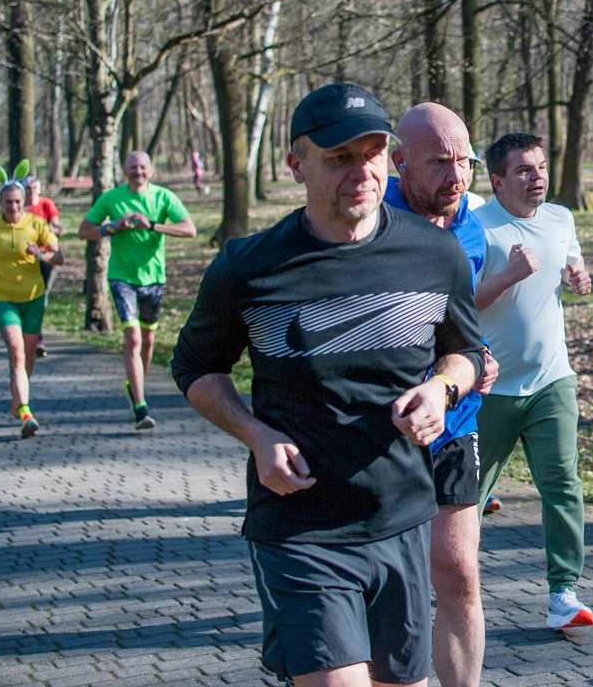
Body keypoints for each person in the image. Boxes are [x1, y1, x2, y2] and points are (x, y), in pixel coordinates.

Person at [170, 83, 486, 687]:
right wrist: (256, 434)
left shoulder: (435, 252)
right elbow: (195, 368)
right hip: (300, 524)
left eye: (370, 153)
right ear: (296, 165)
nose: (360, 170)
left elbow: (465, 351)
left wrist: (443, 389)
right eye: (339, 157)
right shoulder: (249, 266)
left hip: (401, 514)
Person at [383, 102, 499, 687]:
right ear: (399, 162)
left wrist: (476, 355)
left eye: (465, 162)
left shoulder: (469, 227)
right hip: (384, 430)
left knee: (458, 575)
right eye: (439, 164)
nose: (456, 177)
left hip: (455, 420)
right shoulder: (371, 223)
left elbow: (458, 320)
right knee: (388, 584)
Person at [473, 132, 593, 630]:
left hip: (551, 380)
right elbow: (457, 303)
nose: (537, 177)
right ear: (497, 180)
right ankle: (450, 578)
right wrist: (510, 274)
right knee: (467, 496)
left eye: (541, 167)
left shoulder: (560, 217)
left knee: (563, 486)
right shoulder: (477, 227)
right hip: (489, 388)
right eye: (523, 170)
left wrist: (579, 278)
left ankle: (563, 593)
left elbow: (572, 262)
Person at [77, 151, 196, 430]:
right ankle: (141, 406)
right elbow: (84, 230)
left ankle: (135, 385)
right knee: (132, 338)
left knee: (148, 339)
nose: (137, 172)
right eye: (132, 167)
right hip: (122, 276)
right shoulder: (112, 198)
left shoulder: (163, 197)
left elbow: (189, 229)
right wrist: (111, 228)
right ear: (124, 170)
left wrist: (152, 225)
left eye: (142, 167)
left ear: (151, 170)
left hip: (153, 277)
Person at [0, 165, 63, 438]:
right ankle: (25, 411)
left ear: (24, 203)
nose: (13, 207)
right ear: (0, 202)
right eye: (8, 202)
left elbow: (60, 257)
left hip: (33, 296)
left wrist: (42, 254)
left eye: (18, 202)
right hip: (3, 296)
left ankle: (17, 397)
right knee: (16, 350)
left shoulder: (37, 225)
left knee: (28, 356)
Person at [22, 176, 63, 358]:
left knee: (39, 299)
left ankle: (37, 340)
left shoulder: (46, 204)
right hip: (22, 260)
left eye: (34, 188)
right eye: (28, 188)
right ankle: (29, 337)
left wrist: (44, 230)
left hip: (45, 258)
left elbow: (58, 228)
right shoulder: (19, 207)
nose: (31, 192)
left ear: (39, 189)